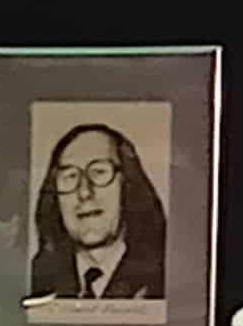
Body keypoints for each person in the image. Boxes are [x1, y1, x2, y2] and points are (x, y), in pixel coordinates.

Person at [26, 121, 169, 301]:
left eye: (99, 172)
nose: (84, 192)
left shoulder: (164, 279)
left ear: (127, 184)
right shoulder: (34, 283)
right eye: (70, 176)